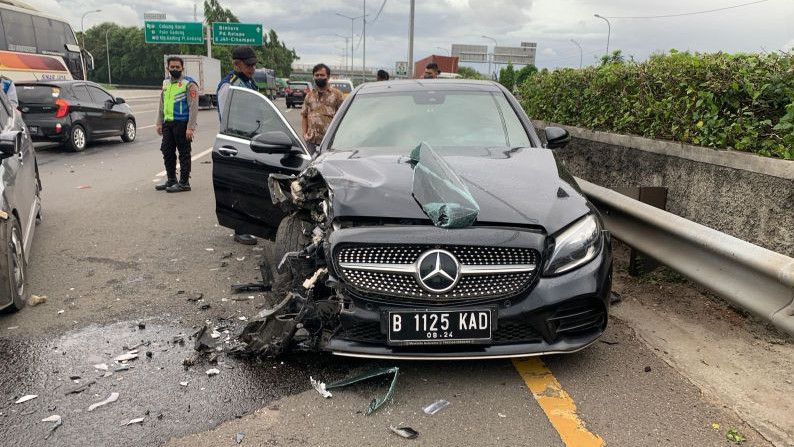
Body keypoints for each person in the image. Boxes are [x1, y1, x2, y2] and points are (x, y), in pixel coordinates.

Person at [216, 46, 259, 246]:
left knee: (251, 185)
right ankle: (240, 229)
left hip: (252, 139)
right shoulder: (229, 86)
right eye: (249, 65)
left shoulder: (250, 83)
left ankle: (250, 224)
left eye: (254, 64)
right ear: (237, 64)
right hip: (238, 142)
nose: (252, 68)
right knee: (239, 187)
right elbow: (227, 118)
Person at [155, 56, 198, 193]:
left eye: (177, 67)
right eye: (172, 67)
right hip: (168, 123)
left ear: (182, 68)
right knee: (166, 151)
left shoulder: (189, 84)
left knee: (184, 153)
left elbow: (193, 107)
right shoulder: (166, 83)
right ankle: (171, 180)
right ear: (167, 68)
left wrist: (190, 127)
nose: (174, 69)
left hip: (182, 123)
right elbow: (162, 103)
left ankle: (184, 183)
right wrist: (159, 122)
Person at [301, 63, 344, 155]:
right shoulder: (309, 96)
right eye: (317, 75)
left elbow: (343, 117)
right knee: (312, 166)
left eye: (322, 75)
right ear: (313, 77)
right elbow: (304, 116)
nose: (319, 77)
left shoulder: (337, 95)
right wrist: (304, 135)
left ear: (328, 77)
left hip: (330, 142)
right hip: (311, 141)